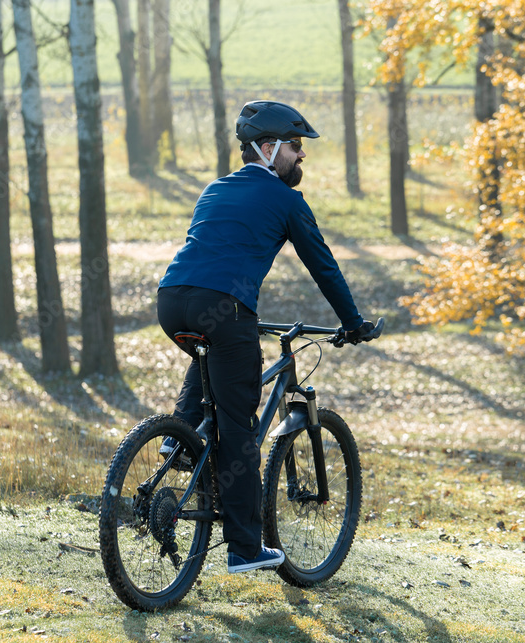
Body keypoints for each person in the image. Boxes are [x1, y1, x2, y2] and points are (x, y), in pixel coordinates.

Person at [156, 100, 378, 574]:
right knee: (239, 428)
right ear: (268, 148)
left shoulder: (214, 189)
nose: (302, 155)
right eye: (295, 146)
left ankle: (178, 439)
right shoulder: (286, 200)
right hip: (225, 306)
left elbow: (213, 252)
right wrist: (353, 322)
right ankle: (244, 548)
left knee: (210, 355)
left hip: (172, 299)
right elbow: (323, 266)